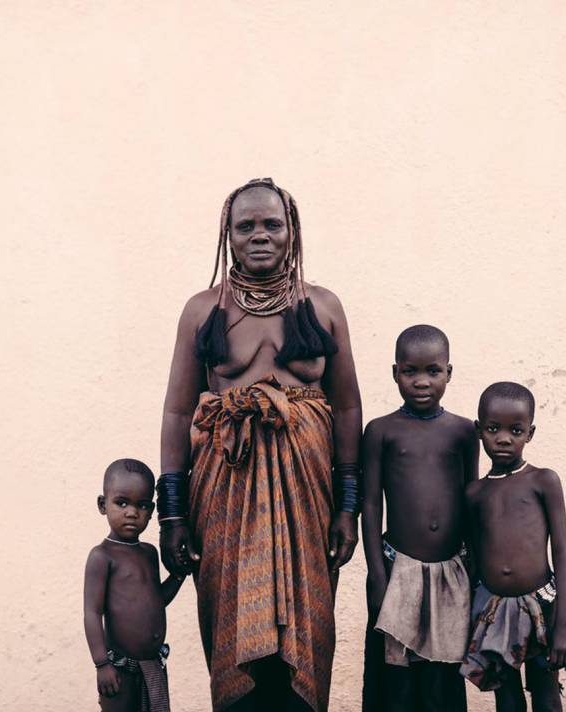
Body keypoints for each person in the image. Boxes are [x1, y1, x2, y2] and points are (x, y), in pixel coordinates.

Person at [157, 178, 363, 711]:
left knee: (308, 630)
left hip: (308, 496)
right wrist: (172, 514)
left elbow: (346, 407)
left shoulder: (324, 306)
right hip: (225, 495)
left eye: (272, 224)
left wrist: (348, 505)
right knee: (230, 628)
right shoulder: (202, 310)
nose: (260, 235)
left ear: (292, 231)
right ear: (227, 235)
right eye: (245, 226)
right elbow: (179, 411)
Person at [360, 325, 478, 712]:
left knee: (441, 678)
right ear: (395, 372)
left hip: (450, 573)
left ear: (449, 372)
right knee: (395, 678)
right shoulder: (381, 431)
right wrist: (378, 575)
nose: (421, 381)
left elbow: (471, 499)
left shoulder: (463, 431)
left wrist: (473, 571)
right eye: (410, 371)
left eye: (433, 371)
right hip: (398, 569)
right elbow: (372, 505)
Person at [460, 383, 566, 712]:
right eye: (494, 429)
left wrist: (563, 626)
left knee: (546, 696)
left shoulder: (544, 481)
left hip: (541, 608)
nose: (504, 438)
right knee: (507, 699)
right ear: (479, 431)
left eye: (516, 430)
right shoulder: (474, 494)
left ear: (530, 433)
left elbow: (562, 555)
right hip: (493, 612)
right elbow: (474, 558)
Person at [83, 459, 186, 712]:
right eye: (122, 503)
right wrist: (101, 665)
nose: (132, 512)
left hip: (152, 665)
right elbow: (92, 613)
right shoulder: (102, 556)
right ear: (102, 505)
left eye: (141, 505)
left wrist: (179, 576)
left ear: (151, 511)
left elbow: (156, 600)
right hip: (119, 668)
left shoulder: (149, 553)